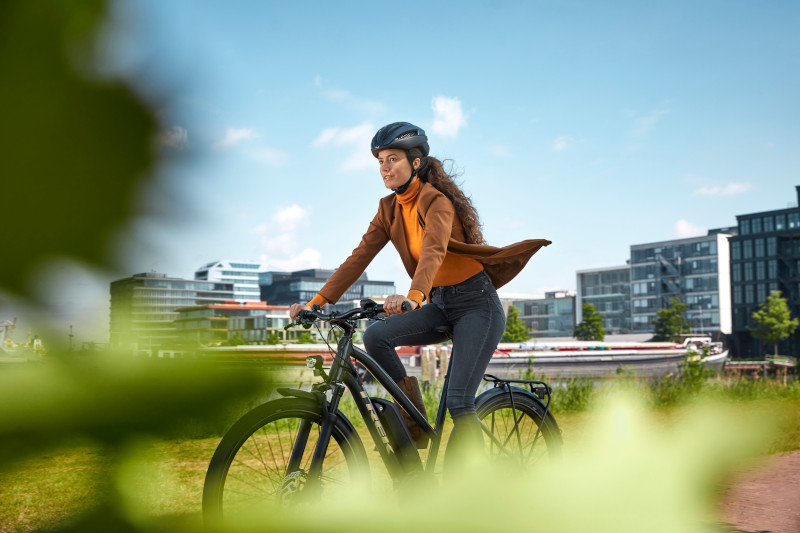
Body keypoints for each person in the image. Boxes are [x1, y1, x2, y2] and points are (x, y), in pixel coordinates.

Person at [290, 122, 550, 461]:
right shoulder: (388, 209)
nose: (384, 168)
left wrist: (415, 296)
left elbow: (434, 251)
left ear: (415, 163)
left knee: (459, 401)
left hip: (477, 306)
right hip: (440, 304)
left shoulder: (436, 202)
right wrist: (316, 302)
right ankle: (415, 422)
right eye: (380, 161)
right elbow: (358, 258)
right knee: (376, 337)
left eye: (392, 159)